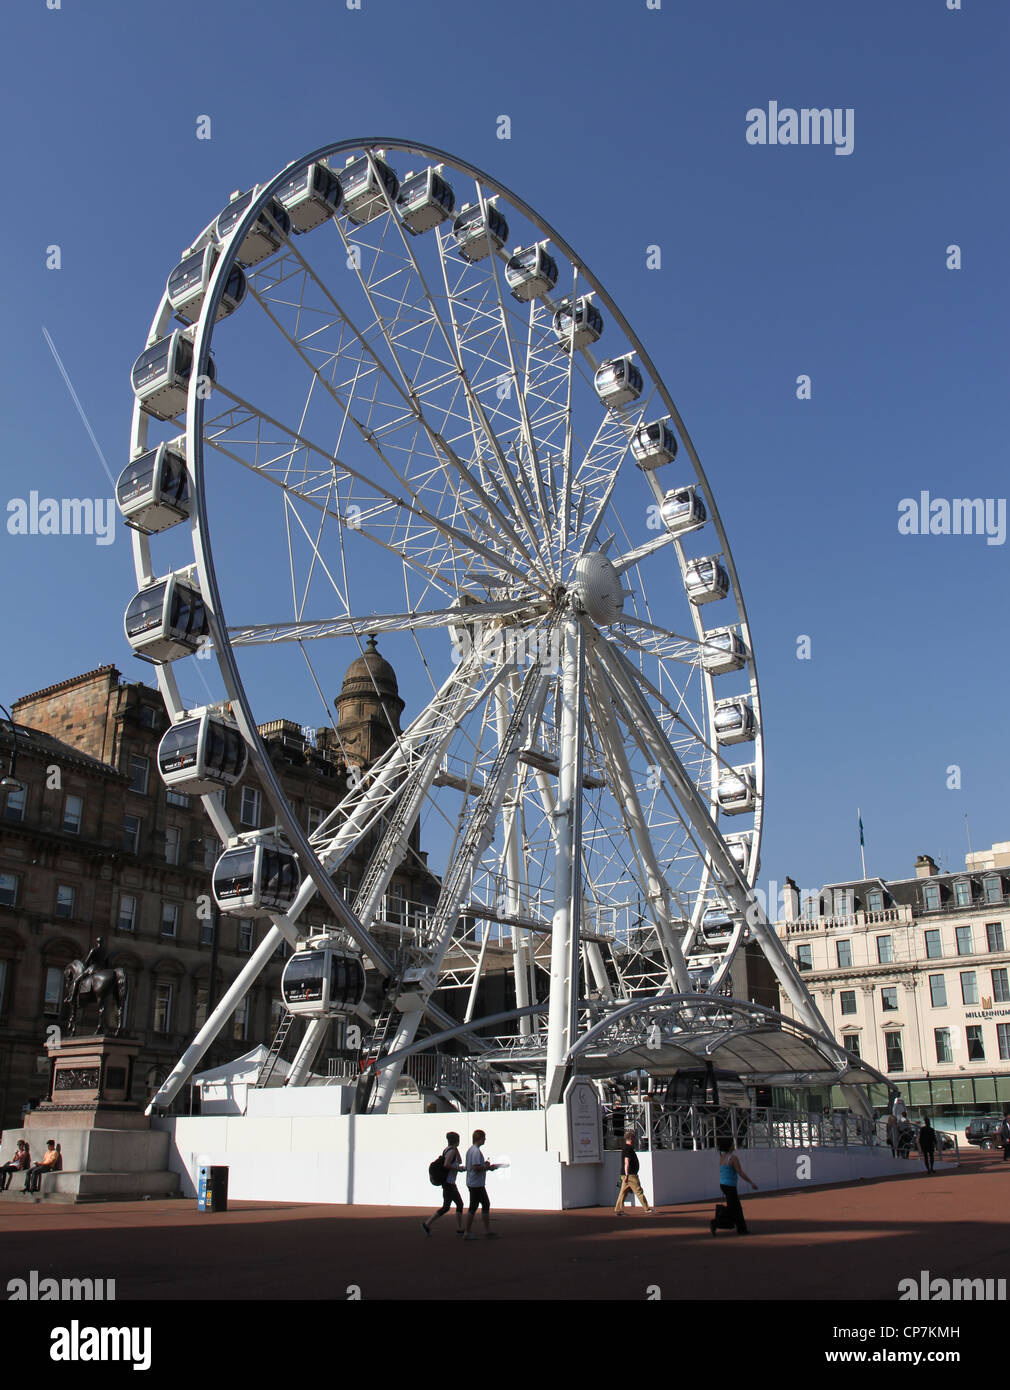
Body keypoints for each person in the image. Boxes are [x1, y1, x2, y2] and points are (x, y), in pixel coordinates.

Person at [711, 1135, 757, 1235]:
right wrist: (751, 1182)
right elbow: (740, 1172)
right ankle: (738, 1228)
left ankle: (736, 1227)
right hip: (730, 1185)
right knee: (736, 1208)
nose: (734, 1145)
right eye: (732, 1144)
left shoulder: (722, 1157)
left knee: (733, 1207)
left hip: (724, 1184)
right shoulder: (733, 1158)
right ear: (729, 1146)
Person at [422, 1130, 464, 1236]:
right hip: (449, 1183)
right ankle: (428, 1224)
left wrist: (456, 1149)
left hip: (449, 1183)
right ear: (457, 1141)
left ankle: (428, 1224)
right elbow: (446, 1164)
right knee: (453, 1205)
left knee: (450, 1206)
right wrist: (458, 1169)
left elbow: (460, 1160)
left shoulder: (449, 1150)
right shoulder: (451, 1151)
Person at [463, 1129, 500, 1240]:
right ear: (479, 1138)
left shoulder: (471, 1150)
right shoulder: (475, 1151)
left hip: (473, 1182)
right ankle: (474, 1231)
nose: (485, 1139)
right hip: (476, 1183)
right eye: (484, 1137)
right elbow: (476, 1167)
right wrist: (488, 1167)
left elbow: (475, 1166)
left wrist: (485, 1166)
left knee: (475, 1206)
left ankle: (470, 1231)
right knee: (482, 1205)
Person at [614, 1131, 652, 1214]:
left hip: (626, 1174)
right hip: (630, 1175)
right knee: (639, 1191)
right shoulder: (629, 1149)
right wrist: (627, 1174)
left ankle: (618, 1209)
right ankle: (647, 1208)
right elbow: (626, 1161)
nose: (634, 1140)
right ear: (631, 1139)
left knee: (623, 1192)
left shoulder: (625, 1148)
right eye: (634, 1138)